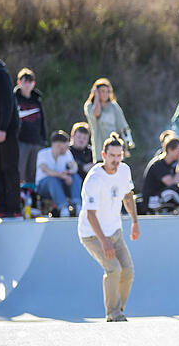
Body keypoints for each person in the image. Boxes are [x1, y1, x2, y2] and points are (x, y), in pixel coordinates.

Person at [77, 133, 139, 322]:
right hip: (92, 235)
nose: (116, 160)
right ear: (103, 155)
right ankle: (112, 313)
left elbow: (127, 196)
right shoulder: (95, 179)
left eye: (119, 156)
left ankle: (117, 310)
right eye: (112, 156)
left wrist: (135, 222)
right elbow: (90, 214)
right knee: (113, 269)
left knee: (127, 271)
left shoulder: (124, 171)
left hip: (115, 231)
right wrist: (104, 242)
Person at [0, 58, 21, 218]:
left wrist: (2, 128)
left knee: (9, 169)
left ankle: (14, 208)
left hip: (5, 130)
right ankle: (1, 207)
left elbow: (7, 103)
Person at [142, 136, 179, 214]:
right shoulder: (158, 164)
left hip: (163, 196)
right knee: (172, 191)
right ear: (169, 150)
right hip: (152, 200)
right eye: (178, 151)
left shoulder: (170, 164)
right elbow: (173, 185)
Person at [84, 78, 133, 161]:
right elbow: (97, 113)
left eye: (107, 91)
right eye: (102, 91)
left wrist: (125, 147)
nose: (105, 94)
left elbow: (120, 128)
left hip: (115, 151)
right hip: (100, 149)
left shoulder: (114, 106)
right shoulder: (89, 106)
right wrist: (96, 97)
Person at [36, 130, 82, 217]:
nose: (67, 148)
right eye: (66, 146)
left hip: (61, 184)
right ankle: (63, 207)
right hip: (44, 187)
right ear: (58, 145)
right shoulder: (43, 153)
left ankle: (78, 205)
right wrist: (62, 175)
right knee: (52, 180)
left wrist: (69, 173)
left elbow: (74, 167)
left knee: (75, 177)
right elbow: (46, 170)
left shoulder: (67, 154)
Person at [14, 68, 47, 186]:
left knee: (33, 174)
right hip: (21, 142)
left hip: (36, 142)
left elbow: (42, 121)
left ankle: (31, 201)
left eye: (30, 82)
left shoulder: (37, 100)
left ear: (33, 83)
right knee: (19, 172)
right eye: (25, 81)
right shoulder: (14, 99)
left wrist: (43, 139)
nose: (27, 84)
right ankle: (18, 200)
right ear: (19, 82)